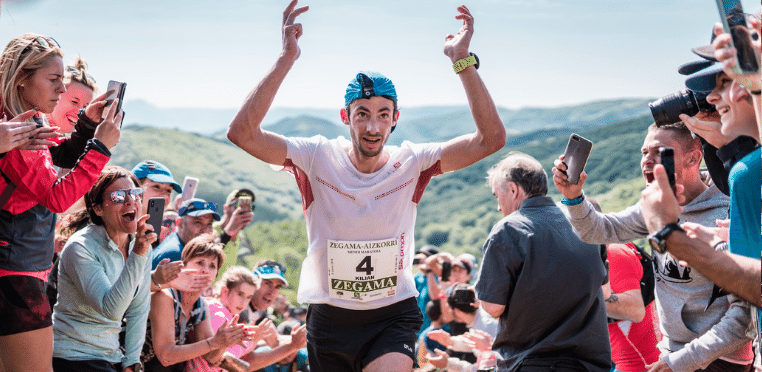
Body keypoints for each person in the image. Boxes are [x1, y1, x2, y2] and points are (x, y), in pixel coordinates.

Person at [227, 2, 505, 370]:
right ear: (346, 117)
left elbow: (491, 139)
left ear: (395, 120)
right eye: (362, 114)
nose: (372, 127)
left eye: (382, 116)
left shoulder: (413, 161)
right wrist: (286, 58)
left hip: (392, 315)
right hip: (330, 318)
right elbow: (242, 133)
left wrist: (461, 59)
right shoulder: (315, 157)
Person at [553, 120, 754, 372]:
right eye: (644, 152)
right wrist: (573, 197)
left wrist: (680, 362)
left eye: (659, 152)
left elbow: (743, 319)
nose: (647, 160)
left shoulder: (727, 213)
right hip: (673, 353)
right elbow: (597, 230)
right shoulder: (653, 206)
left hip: (720, 360)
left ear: (693, 159)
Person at [639, 18, 762, 371]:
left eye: (726, 81)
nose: (709, 98)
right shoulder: (743, 170)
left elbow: (753, 290)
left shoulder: (747, 173)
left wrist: (669, 235)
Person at [0, 33, 121, 372]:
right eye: (53, 80)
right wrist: (101, 149)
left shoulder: (21, 121)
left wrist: (87, 125)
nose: (59, 89)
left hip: (19, 269)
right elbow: (58, 196)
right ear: (22, 77)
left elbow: (56, 156)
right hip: (15, 274)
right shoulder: (15, 129)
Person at [475, 152, 610, 372]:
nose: (499, 207)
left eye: (496, 196)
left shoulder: (509, 229)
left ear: (513, 189)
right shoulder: (584, 220)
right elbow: (604, 292)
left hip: (532, 363)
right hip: (590, 365)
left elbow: (493, 307)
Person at [51, 167, 156, 372]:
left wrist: (132, 362)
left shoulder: (140, 244)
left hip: (109, 355)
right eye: (117, 196)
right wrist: (139, 253)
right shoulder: (80, 247)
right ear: (98, 209)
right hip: (72, 356)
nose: (130, 201)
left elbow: (138, 309)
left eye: (135, 194)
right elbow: (111, 310)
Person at [140, 234, 251, 372]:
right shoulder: (165, 296)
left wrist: (224, 342)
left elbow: (211, 358)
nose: (205, 270)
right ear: (184, 265)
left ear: (216, 275)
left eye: (212, 266)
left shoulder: (201, 307)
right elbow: (166, 356)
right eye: (199, 263)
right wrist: (214, 342)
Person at [151, 198, 220, 269]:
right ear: (180, 223)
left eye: (209, 224)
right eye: (198, 222)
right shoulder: (176, 255)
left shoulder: (177, 242)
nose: (206, 230)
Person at [213, 188, 255, 280]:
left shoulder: (239, 238)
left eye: (249, 207)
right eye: (238, 205)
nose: (245, 210)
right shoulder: (211, 231)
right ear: (226, 208)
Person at [49, 57, 96, 135]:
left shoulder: (64, 144)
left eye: (85, 107)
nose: (80, 112)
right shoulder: (28, 135)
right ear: (54, 94)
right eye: (74, 102)